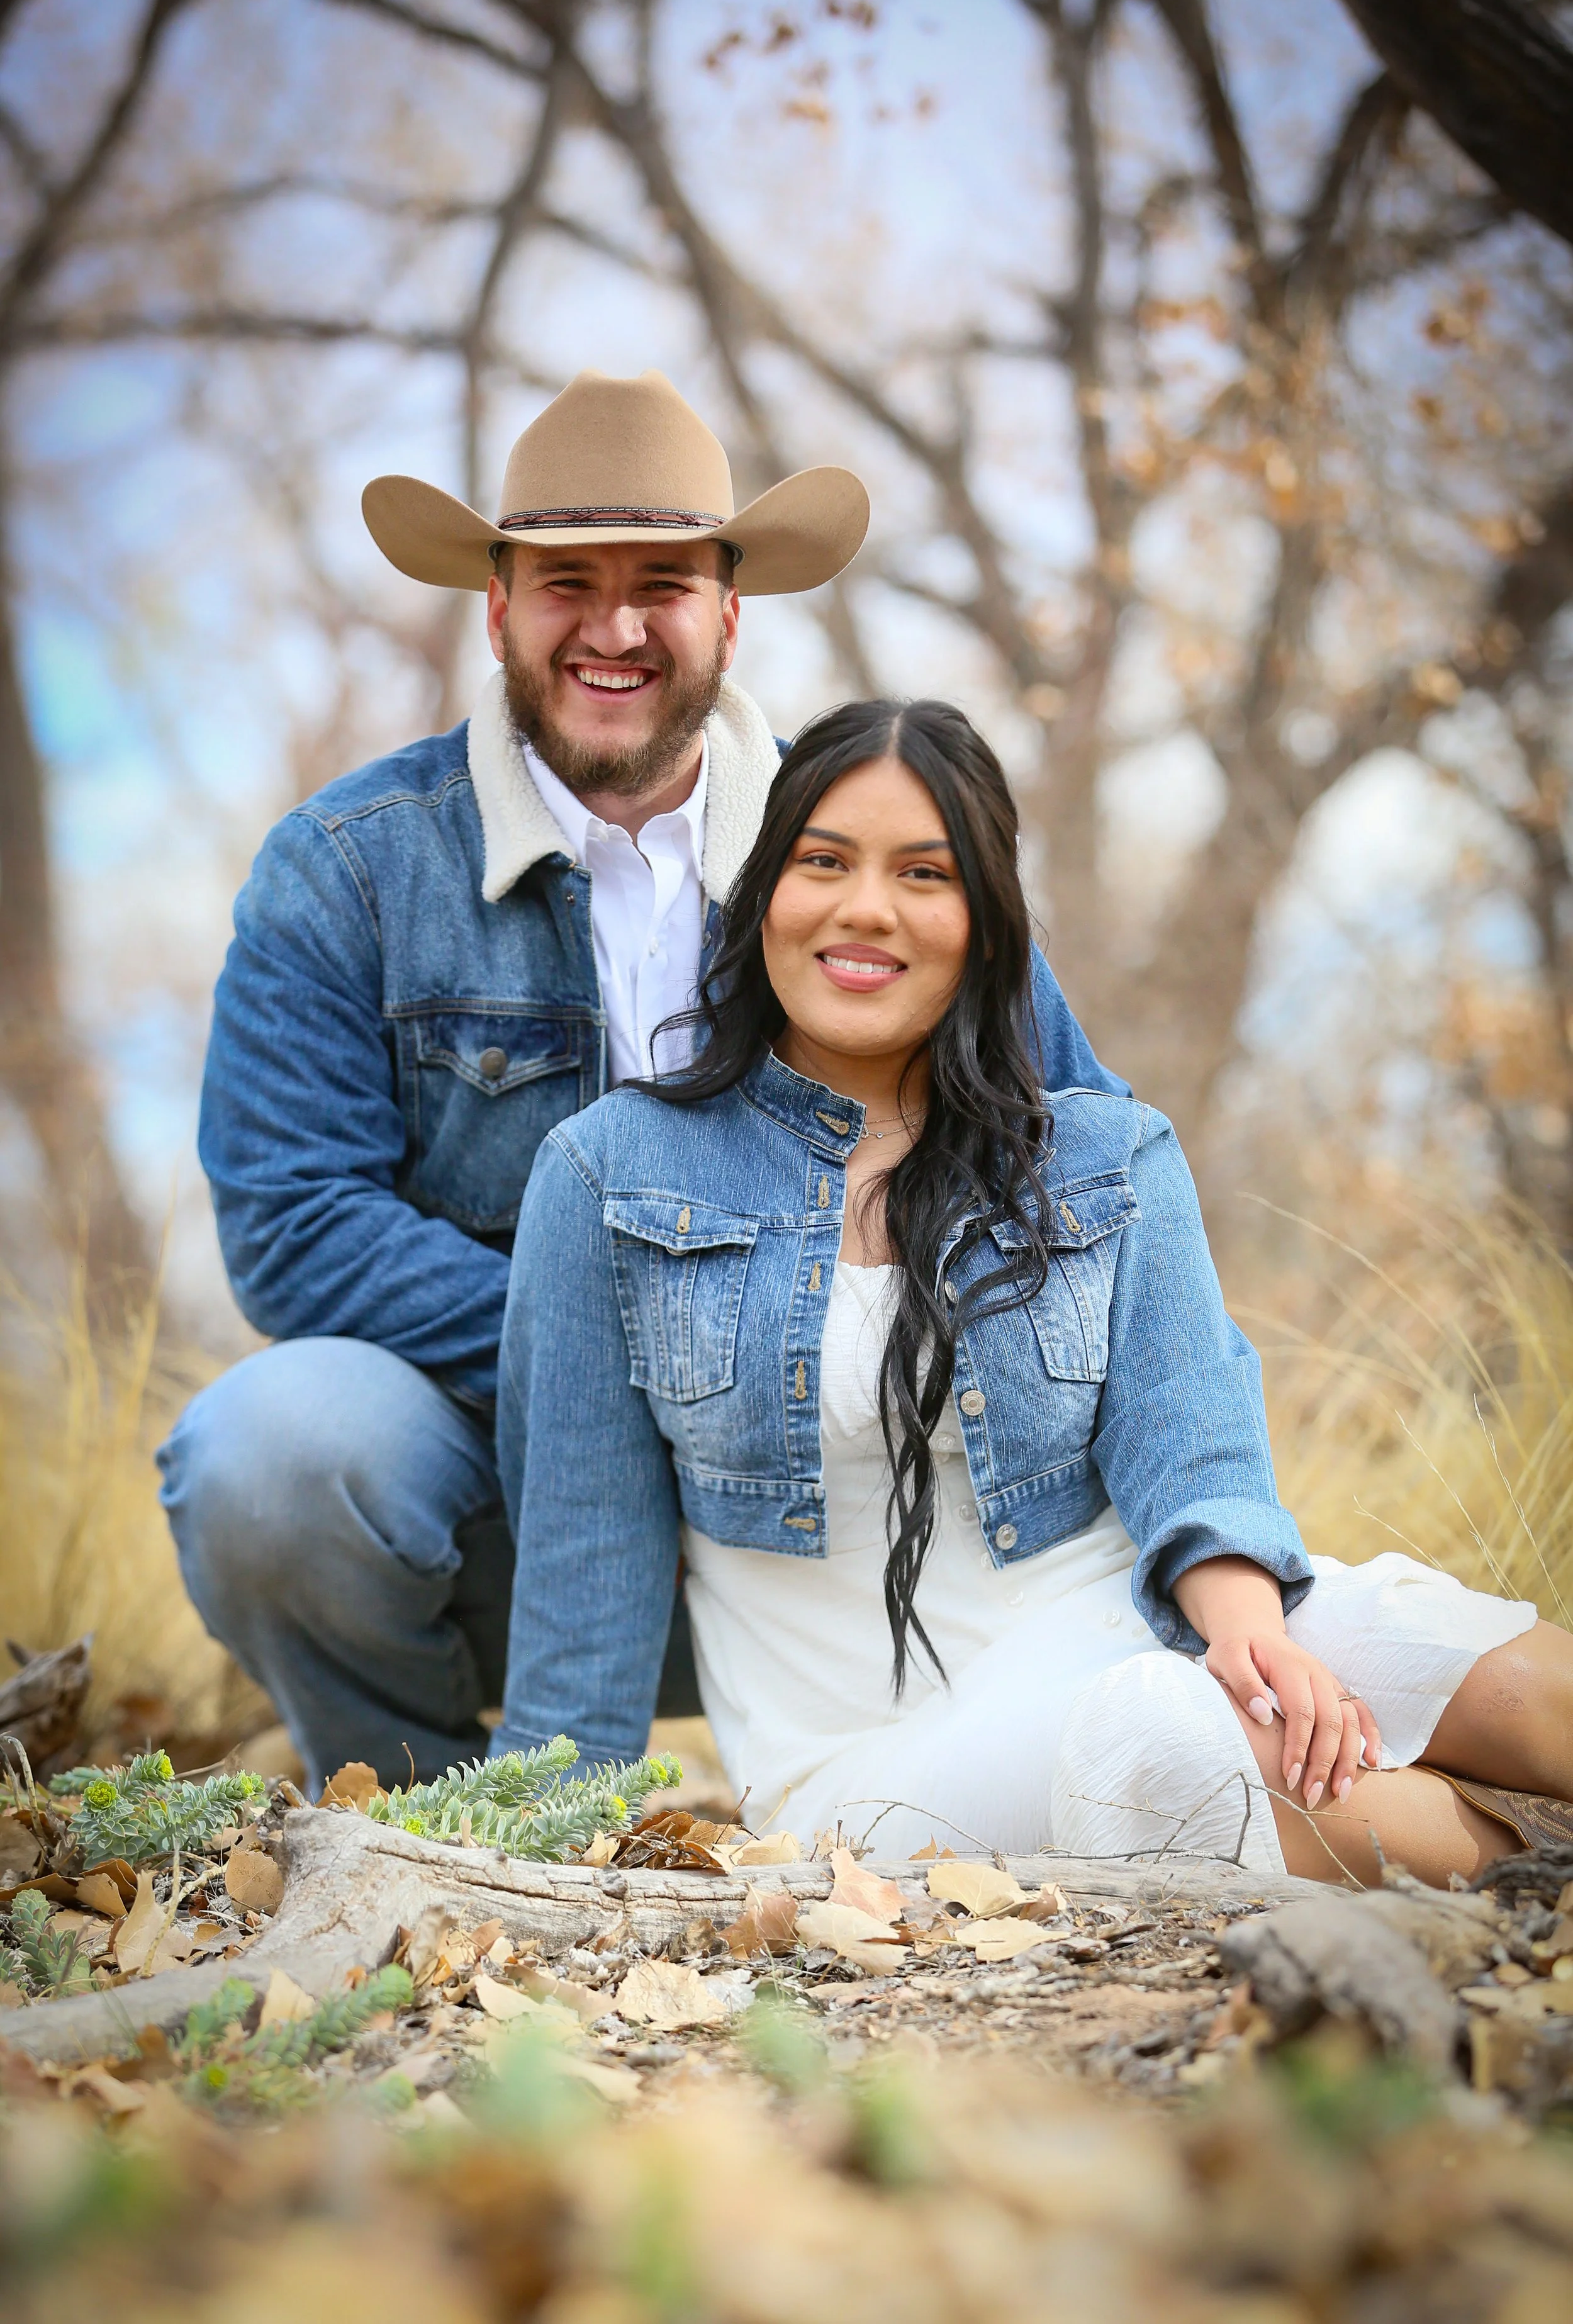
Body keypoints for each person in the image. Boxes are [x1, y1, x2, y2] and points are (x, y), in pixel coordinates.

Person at [159, 373, 1122, 1793]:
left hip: (840, 1478)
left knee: (1034, 1720)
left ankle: (954, 1783)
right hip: (501, 1469)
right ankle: (427, 1833)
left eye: (661, 584)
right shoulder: (348, 868)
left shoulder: (880, 848)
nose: (613, 629)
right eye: (565, 583)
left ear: (730, 613)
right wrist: (629, 1361)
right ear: (495, 605)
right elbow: (294, 1223)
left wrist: (818, 1365)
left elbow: (1074, 1158)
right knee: (269, 1453)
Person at [494, 698, 1573, 1884]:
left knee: (1406, 1638)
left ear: (987, 927)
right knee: (1158, 1737)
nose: (867, 907)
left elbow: (1191, 1444)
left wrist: (1252, 1635)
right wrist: (537, 1840)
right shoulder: (612, 1175)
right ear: (762, 900)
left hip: (1123, 1609)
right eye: (824, 861)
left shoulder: (1106, 1155)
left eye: (925, 872)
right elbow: (582, 1579)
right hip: (872, 1767)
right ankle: (1534, 1887)